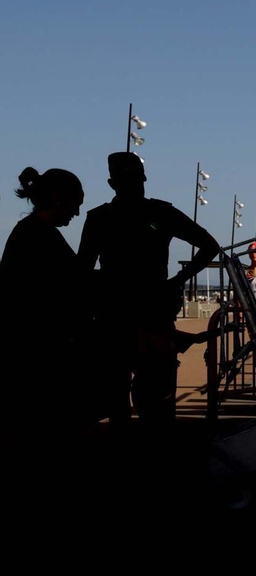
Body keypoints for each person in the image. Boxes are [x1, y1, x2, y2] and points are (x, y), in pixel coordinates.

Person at [78, 152, 221, 429]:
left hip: (117, 314)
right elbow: (209, 246)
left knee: (122, 397)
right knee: (156, 399)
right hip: (148, 313)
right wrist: (178, 280)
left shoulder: (99, 218)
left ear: (111, 183)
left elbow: (82, 271)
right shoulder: (159, 212)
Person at [1, 167, 86, 439]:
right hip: (35, 352)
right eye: (75, 205)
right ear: (58, 200)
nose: (76, 213)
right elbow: (72, 282)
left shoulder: (32, 232)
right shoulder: (39, 235)